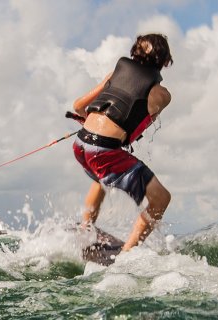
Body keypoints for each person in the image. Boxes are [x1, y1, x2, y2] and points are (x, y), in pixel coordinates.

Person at [72, 34, 173, 251]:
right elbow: (134, 131)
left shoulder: (116, 73)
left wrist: (91, 121)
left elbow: (79, 106)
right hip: (104, 151)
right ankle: (127, 255)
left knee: (100, 178)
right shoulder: (162, 95)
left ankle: (85, 228)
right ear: (165, 61)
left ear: (134, 52)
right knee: (161, 198)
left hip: (81, 145)